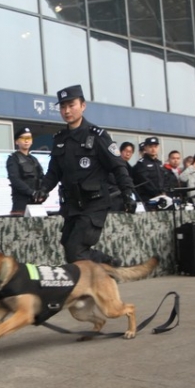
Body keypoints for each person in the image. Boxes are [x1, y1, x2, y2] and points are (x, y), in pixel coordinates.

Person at [38, 84, 135, 266]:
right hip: (72, 205)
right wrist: (43, 189)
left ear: (83, 106)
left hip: (94, 204)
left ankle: (107, 267)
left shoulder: (98, 136)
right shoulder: (60, 139)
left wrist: (127, 194)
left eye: (71, 105)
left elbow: (118, 167)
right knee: (69, 248)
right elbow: (54, 172)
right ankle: (105, 268)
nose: (67, 111)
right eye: (63, 107)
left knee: (76, 250)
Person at [6, 126, 44, 214]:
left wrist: (43, 192)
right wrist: (32, 192)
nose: (26, 141)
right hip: (21, 205)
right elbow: (15, 180)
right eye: (23, 138)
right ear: (16, 141)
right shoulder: (13, 159)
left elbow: (42, 177)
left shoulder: (34, 160)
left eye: (29, 138)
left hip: (36, 204)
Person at [132, 136, 167, 204]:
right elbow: (145, 181)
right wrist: (157, 193)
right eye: (151, 147)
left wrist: (164, 192)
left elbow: (164, 179)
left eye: (155, 146)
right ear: (145, 148)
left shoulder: (159, 163)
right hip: (147, 198)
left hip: (161, 197)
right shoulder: (141, 163)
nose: (153, 149)